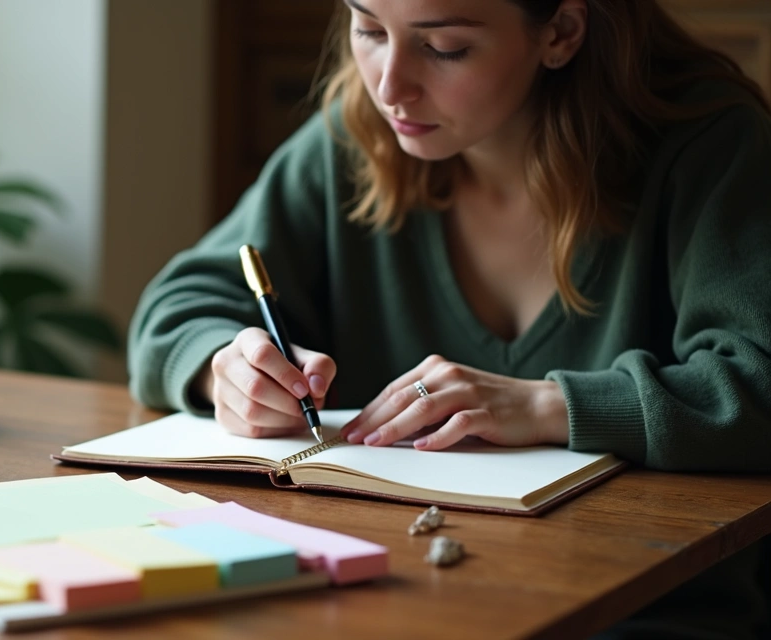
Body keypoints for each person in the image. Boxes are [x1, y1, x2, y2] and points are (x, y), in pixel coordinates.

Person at [127, 0, 771, 637]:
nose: (389, 86)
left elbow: (759, 382)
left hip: (645, 614)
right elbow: (176, 308)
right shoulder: (356, 135)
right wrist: (227, 368)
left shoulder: (709, 142)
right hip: (389, 598)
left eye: (444, 48)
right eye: (369, 29)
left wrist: (544, 406)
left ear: (561, 32)